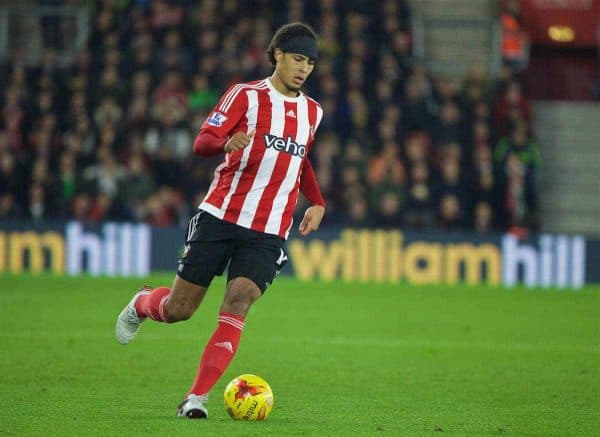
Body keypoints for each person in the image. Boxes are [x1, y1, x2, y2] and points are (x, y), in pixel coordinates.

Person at [115, 22, 326, 419]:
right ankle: (143, 302)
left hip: (268, 229)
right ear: (277, 54)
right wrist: (226, 142)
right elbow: (201, 143)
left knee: (239, 299)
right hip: (221, 215)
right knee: (180, 309)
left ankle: (195, 398)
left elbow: (300, 160)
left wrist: (316, 200)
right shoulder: (244, 96)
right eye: (298, 58)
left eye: (311, 62)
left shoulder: (313, 112)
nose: (304, 68)